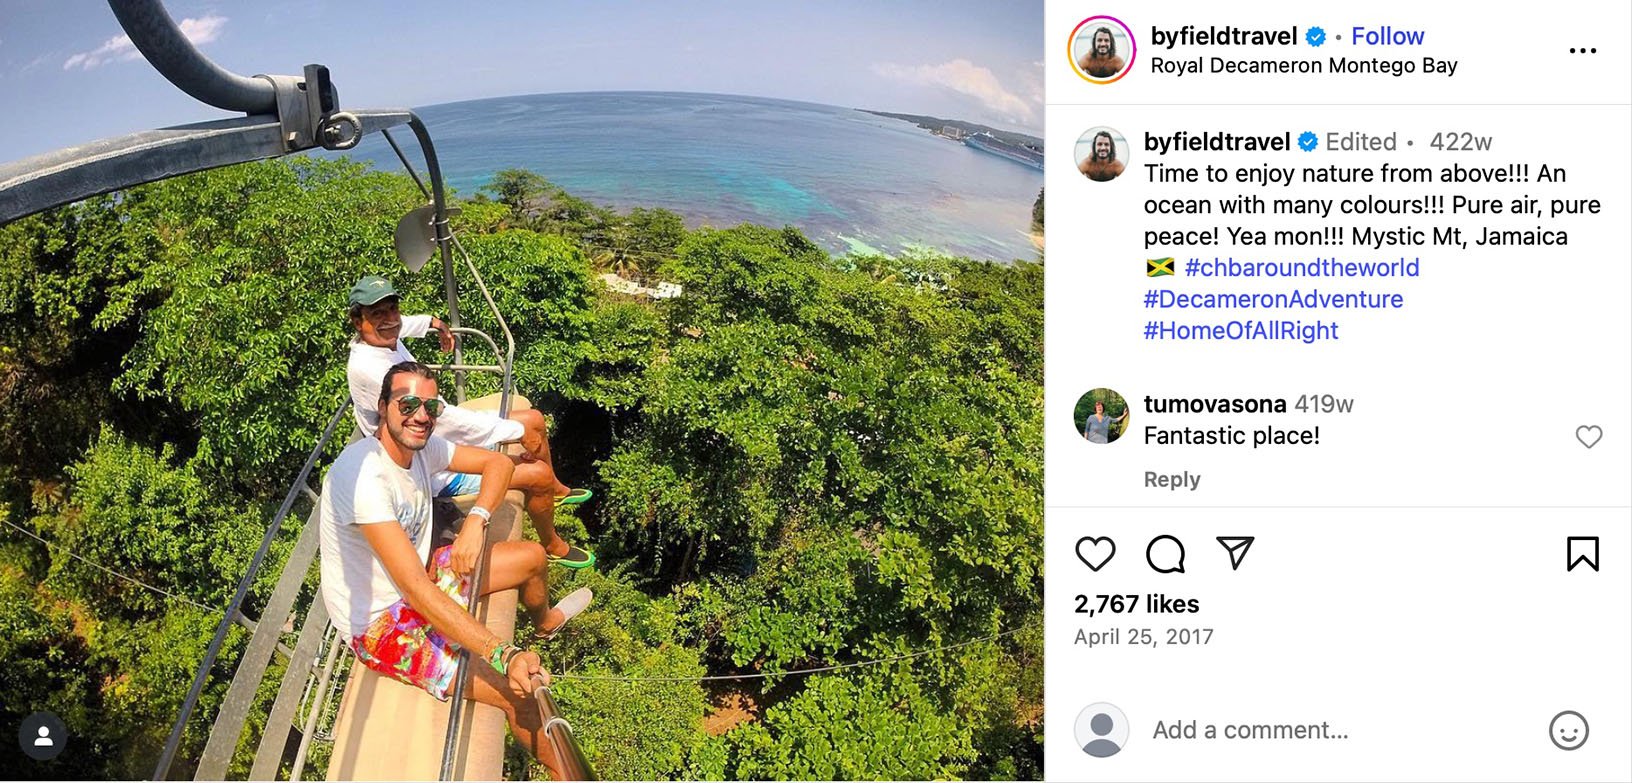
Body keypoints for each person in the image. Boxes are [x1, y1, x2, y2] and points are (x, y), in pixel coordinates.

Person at [319, 361, 592, 777]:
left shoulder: (423, 447)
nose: (421, 415)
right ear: (382, 407)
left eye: (431, 405)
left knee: (533, 559)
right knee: (516, 693)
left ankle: (545, 622)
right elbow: (415, 593)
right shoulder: (362, 478)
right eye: (407, 402)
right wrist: (504, 653)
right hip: (382, 624)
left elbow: (498, 465)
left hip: (424, 572)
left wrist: (477, 522)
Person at [346, 275, 594, 568]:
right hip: (428, 465)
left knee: (534, 419)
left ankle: (557, 490)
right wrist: (512, 432)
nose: (389, 320)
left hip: (433, 437)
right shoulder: (370, 369)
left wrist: (435, 323)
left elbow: (402, 325)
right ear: (357, 321)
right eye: (377, 314)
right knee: (535, 469)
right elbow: (443, 418)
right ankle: (553, 544)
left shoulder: (382, 339)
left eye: (392, 309)